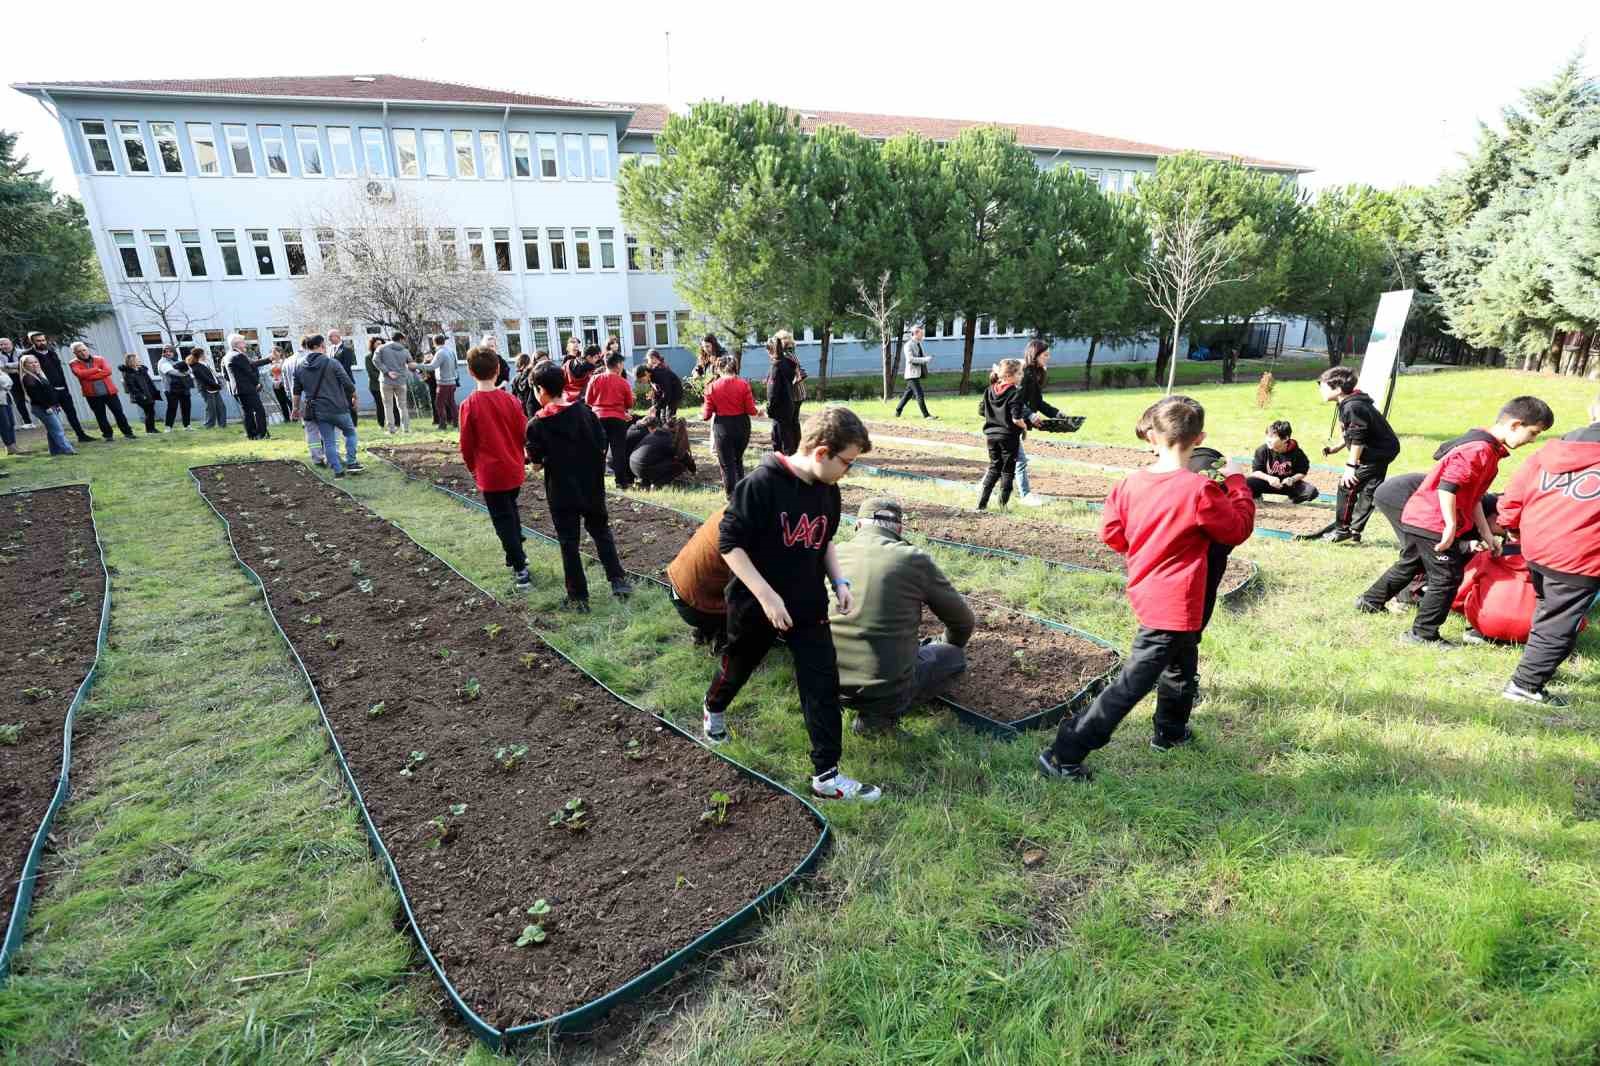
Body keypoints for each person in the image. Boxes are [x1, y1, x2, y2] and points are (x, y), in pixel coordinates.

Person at [1040, 396, 1255, 782]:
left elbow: (1112, 534)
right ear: (1199, 438)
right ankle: (1064, 752)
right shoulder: (1199, 491)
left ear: (1152, 436)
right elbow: (1237, 528)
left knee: (1181, 661)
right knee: (1132, 682)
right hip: (1175, 603)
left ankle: (1169, 734)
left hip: (1150, 591)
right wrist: (1237, 482)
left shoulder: (1129, 483)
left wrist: (1148, 547)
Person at [699, 405, 881, 802]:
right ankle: (714, 709)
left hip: (807, 603)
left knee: (822, 683)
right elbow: (730, 544)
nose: (848, 471)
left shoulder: (827, 490)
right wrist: (767, 597)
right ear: (821, 453)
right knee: (739, 665)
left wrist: (839, 581)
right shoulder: (761, 484)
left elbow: (825, 539)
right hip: (755, 602)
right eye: (847, 462)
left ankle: (827, 777)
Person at [1357, 397, 1552, 645]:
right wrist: (1450, 525)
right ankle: (1422, 634)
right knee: (1446, 578)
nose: (1533, 440)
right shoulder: (1478, 450)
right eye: (1533, 433)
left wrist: (1486, 533)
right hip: (1433, 520)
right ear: (1515, 424)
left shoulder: (1488, 449)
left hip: (1422, 517)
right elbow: (1447, 487)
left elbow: (1474, 498)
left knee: (1410, 564)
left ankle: (1369, 601)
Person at [831, 496, 975, 735]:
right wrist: (949, 645)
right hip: (885, 690)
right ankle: (877, 720)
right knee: (953, 658)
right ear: (899, 529)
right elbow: (962, 622)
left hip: (825, 681)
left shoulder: (833, 555)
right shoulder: (912, 559)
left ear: (857, 525)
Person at [1492, 395, 1600, 706]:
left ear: (1592, 411)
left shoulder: (1550, 449)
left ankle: (1537, 661)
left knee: (1548, 610)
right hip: (1579, 554)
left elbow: (1514, 494)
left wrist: (1511, 525)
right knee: (1558, 621)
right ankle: (1525, 685)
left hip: (1537, 545)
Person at [524, 362, 632, 611]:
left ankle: (578, 598)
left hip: (562, 492)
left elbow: (537, 466)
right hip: (591, 486)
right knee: (601, 531)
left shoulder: (537, 425)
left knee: (569, 542)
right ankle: (618, 581)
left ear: (541, 389)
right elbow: (601, 444)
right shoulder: (584, 412)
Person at [457, 345, 532, 590]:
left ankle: (521, 568)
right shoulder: (510, 400)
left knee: (502, 520)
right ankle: (516, 553)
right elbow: (524, 433)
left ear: (470, 371)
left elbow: (466, 444)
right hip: (513, 468)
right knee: (510, 511)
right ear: (498, 369)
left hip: (490, 474)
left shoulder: (469, 405)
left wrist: (472, 467)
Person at [1308, 366, 1401, 543]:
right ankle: (1355, 531)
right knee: (1369, 490)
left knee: (1347, 486)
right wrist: (1338, 447)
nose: (1320, 388)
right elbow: (1355, 431)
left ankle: (1342, 530)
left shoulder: (1353, 406)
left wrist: (1351, 467)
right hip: (1384, 449)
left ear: (1337, 389)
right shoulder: (1351, 402)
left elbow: (1359, 437)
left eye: (1323, 385)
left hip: (1376, 453)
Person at [293, 334, 363, 478]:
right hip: (338, 407)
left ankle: (338, 472)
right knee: (350, 433)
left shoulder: (300, 367)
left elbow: (296, 392)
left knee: (328, 441)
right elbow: (348, 384)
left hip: (318, 410)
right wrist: (355, 397)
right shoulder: (332, 363)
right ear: (321, 346)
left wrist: (295, 408)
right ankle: (352, 463)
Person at [665, 506, 732, 650]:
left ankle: (707, 630)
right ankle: (723, 638)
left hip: (676, 590)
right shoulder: (750, 525)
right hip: (694, 605)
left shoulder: (727, 510)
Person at [702, 354, 759, 497]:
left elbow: (706, 416)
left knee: (726, 463)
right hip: (742, 425)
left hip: (722, 426)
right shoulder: (743, 384)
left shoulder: (712, 387)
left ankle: (731, 495)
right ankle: (742, 492)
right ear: (735, 368)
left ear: (719, 368)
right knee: (738, 459)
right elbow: (751, 411)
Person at [977, 358, 1029, 511]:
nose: (1021, 376)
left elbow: (981, 411)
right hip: (1008, 437)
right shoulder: (1015, 393)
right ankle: (1002, 506)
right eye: (1019, 373)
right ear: (1008, 376)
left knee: (994, 468)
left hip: (991, 436)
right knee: (1007, 470)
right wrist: (1024, 427)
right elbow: (1016, 418)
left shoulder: (989, 390)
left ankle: (982, 504)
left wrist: (994, 416)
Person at [1014, 338, 1059, 506]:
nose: (1047, 358)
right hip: (1012, 420)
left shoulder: (1036, 373)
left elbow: (1038, 402)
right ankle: (1025, 495)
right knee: (1019, 460)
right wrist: (1031, 415)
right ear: (1035, 354)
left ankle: (983, 486)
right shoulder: (1024, 373)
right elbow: (1016, 400)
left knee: (1004, 459)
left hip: (1019, 421)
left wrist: (1057, 413)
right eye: (1045, 355)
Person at [26, 332, 92, 443]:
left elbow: (59, 371)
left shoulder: (52, 353)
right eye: (38, 341)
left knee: (71, 413)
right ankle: (60, 442)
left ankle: (81, 435)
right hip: (47, 390)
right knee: (53, 418)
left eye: (43, 340)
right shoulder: (28, 355)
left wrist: (65, 387)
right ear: (32, 342)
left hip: (62, 388)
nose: (42, 342)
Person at [586, 350, 637, 489]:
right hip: (617, 419)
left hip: (598, 419)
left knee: (598, 451)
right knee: (618, 451)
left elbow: (588, 400)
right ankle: (621, 482)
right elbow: (629, 404)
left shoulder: (595, 379)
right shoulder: (623, 382)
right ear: (619, 365)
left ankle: (596, 482)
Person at [68, 342, 136, 442]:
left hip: (109, 392)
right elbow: (80, 374)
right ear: (75, 353)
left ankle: (128, 433)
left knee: (118, 413)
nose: (83, 353)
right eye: (79, 351)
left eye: (84, 350)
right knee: (100, 416)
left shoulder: (100, 359)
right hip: (92, 395)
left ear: (87, 349)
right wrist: (96, 369)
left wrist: (89, 377)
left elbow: (108, 371)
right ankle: (108, 435)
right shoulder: (73, 363)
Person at [1248, 420, 1318, 504]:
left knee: (1311, 491)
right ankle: (1256, 496)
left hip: (1288, 485)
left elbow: (1302, 471)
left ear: (1285, 438)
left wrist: (1292, 479)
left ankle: (1291, 501)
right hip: (1268, 482)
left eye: (1272, 437)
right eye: (1267, 436)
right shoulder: (1262, 450)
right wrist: (1269, 478)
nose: (1268, 440)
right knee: (1246, 482)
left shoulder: (1297, 452)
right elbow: (1256, 472)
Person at [18, 355, 74, 455]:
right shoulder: (28, 378)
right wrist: (47, 407)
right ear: (24, 366)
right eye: (30, 363)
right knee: (58, 429)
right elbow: (36, 396)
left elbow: (49, 391)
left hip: (50, 406)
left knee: (52, 429)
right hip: (42, 407)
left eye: (36, 362)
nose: (34, 364)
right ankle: (68, 450)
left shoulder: (38, 375)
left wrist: (56, 404)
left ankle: (55, 451)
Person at [283, 342, 324, 466]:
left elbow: (286, 385)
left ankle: (316, 456)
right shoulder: (310, 360)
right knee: (322, 427)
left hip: (298, 399)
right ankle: (326, 454)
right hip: (314, 398)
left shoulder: (287, 362)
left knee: (309, 428)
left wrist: (293, 402)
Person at [225, 334, 272, 440]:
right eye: (243, 341)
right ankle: (262, 434)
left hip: (238, 389)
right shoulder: (238, 356)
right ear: (237, 344)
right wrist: (257, 383)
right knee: (259, 410)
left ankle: (251, 434)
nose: (245, 343)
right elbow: (249, 371)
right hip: (247, 388)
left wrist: (268, 359)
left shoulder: (228, 355)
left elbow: (226, 374)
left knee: (247, 412)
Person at [629, 416, 696, 489]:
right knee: (679, 466)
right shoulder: (670, 440)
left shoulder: (657, 433)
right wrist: (693, 470)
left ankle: (645, 481)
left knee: (657, 459)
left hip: (633, 465)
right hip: (643, 468)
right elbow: (684, 457)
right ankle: (657, 484)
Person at [764, 331, 803, 455]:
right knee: (791, 425)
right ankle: (795, 449)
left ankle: (792, 452)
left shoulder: (784, 359)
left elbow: (797, 375)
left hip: (791, 395)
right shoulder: (789, 357)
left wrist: (769, 408)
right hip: (791, 397)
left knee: (785, 430)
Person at [373, 332, 417, 434]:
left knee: (388, 405)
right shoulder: (405, 351)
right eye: (403, 339)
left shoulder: (381, 348)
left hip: (386, 380)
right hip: (401, 381)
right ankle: (406, 429)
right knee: (403, 406)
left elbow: (375, 360)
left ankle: (391, 429)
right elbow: (411, 364)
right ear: (400, 339)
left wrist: (387, 371)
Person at [893, 324, 934, 419]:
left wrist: (925, 359)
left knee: (907, 395)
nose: (923, 335)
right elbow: (910, 359)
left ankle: (898, 411)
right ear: (916, 333)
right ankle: (926, 415)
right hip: (911, 374)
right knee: (919, 394)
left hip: (916, 374)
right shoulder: (908, 345)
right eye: (921, 334)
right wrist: (925, 359)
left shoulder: (918, 344)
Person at [119, 353, 162, 435]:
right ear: (132, 361)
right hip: (140, 396)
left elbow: (148, 381)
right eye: (136, 359)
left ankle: (151, 429)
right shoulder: (128, 373)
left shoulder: (141, 370)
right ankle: (150, 430)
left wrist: (153, 393)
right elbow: (132, 387)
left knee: (150, 411)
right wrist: (141, 395)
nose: (139, 360)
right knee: (149, 411)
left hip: (148, 393)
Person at [0, 337, 34, 430]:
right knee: (19, 402)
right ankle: (28, 422)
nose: (3, 346)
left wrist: (9, 365)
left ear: (11, 343)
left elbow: (25, 363)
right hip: (12, 381)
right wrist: (18, 368)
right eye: (1, 345)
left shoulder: (21, 352)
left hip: (26, 378)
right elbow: (2, 368)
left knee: (34, 397)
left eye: (5, 344)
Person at [189, 347, 228, 429]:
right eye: (204, 353)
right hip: (206, 389)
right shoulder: (196, 367)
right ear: (200, 355)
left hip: (214, 387)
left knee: (221, 406)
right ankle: (209, 425)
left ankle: (222, 425)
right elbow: (205, 379)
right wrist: (217, 385)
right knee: (211, 408)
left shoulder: (205, 363)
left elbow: (212, 375)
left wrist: (218, 382)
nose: (206, 355)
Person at [427, 333, 459, 428]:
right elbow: (456, 366)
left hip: (443, 383)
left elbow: (432, 366)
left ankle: (442, 424)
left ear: (434, 342)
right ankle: (456, 423)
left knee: (439, 403)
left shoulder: (440, 352)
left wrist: (416, 365)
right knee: (451, 402)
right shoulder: (451, 351)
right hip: (452, 381)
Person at [642, 348, 683, 422]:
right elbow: (655, 384)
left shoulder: (661, 368)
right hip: (663, 393)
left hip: (673, 393)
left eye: (648, 360)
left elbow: (666, 388)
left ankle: (670, 428)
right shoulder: (651, 369)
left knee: (668, 414)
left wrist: (657, 405)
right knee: (661, 412)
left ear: (654, 358)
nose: (648, 362)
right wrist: (653, 392)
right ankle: (660, 425)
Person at [158, 346, 194, 430]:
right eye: (166, 351)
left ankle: (187, 425)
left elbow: (190, 370)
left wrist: (186, 370)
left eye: (170, 351)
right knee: (172, 408)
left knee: (186, 407)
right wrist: (185, 372)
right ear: (163, 353)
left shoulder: (178, 360)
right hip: (170, 389)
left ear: (174, 352)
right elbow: (173, 372)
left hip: (183, 387)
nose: (168, 353)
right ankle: (168, 427)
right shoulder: (162, 362)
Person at [328, 329, 358, 424]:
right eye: (328, 337)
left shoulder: (346, 349)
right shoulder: (330, 349)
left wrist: (336, 374)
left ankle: (354, 422)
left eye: (330, 337)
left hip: (346, 380)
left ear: (337, 336)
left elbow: (346, 366)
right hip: (335, 381)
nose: (329, 339)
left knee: (349, 401)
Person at [364, 337, 387, 432]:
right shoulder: (368, 357)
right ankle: (381, 424)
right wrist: (385, 375)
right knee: (380, 405)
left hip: (388, 383)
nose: (379, 345)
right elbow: (371, 372)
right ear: (372, 345)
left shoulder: (386, 356)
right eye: (377, 343)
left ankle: (395, 422)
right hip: (375, 386)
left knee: (391, 404)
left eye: (381, 343)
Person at [0, 352, 18, 455]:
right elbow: (3, 383)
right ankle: (9, 447)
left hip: (6, 397)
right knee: (4, 424)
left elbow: (9, 382)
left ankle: (13, 445)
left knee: (11, 422)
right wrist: (5, 384)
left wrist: (5, 384)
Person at [269, 349, 293, 423]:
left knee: (288, 401)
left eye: (275, 353)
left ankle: (294, 417)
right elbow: (270, 374)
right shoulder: (271, 363)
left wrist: (281, 381)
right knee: (281, 402)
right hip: (275, 384)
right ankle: (286, 418)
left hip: (284, 384)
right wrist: (273, 381)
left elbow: (286, 373)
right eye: (273, 353)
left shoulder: (284, 361)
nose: (274, 354)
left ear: (280, 353)